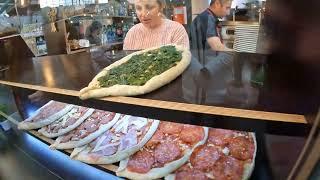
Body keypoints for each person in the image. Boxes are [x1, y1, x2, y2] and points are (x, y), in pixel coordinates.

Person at [123, 0, 189, 50]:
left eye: (149, 8)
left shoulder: (176, 30)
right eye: (138, 8)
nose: (143, 14)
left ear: (160, 7)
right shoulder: (132, 33)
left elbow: (182, 60)